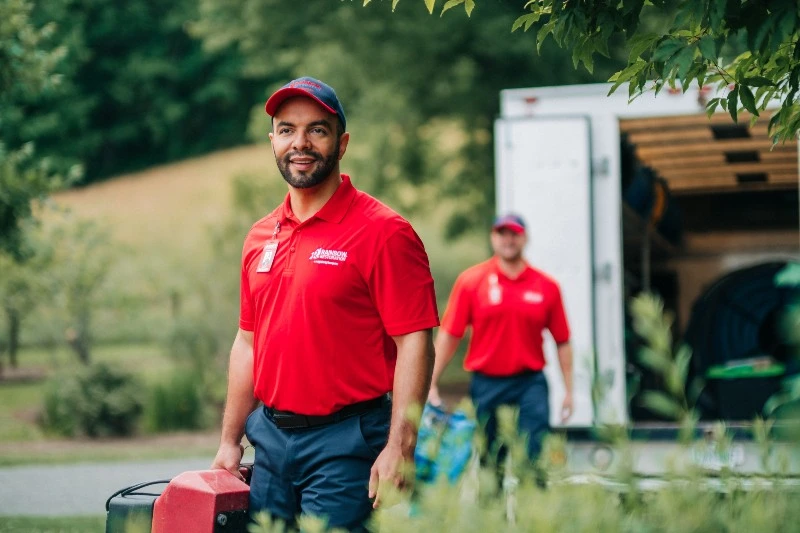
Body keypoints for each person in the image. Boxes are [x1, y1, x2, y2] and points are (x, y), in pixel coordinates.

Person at [211, 77, 439, 531]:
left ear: (342, 142)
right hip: (271, 441)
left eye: (317, 129)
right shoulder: (260, 235)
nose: (301, 143)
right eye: (287, 129)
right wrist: (230, 440)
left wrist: (401, 446)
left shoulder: (384, 232)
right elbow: (247, 343)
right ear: (272, 140)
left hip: (348, 442)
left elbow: (415, 342)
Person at [427, 213, 573, 464]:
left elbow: (563, 341)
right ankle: (492, 502)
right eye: (502, 233)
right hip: (487, 385)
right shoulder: (472, 281)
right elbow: (450, 335)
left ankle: (532, 501)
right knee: (490, 461)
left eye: (514, 234)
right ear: (493, 238)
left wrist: (570, 390)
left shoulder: (546, 286)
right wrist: (431, 381)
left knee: (534, 457)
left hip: (530, 384)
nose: (508, 240)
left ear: (524, 238)